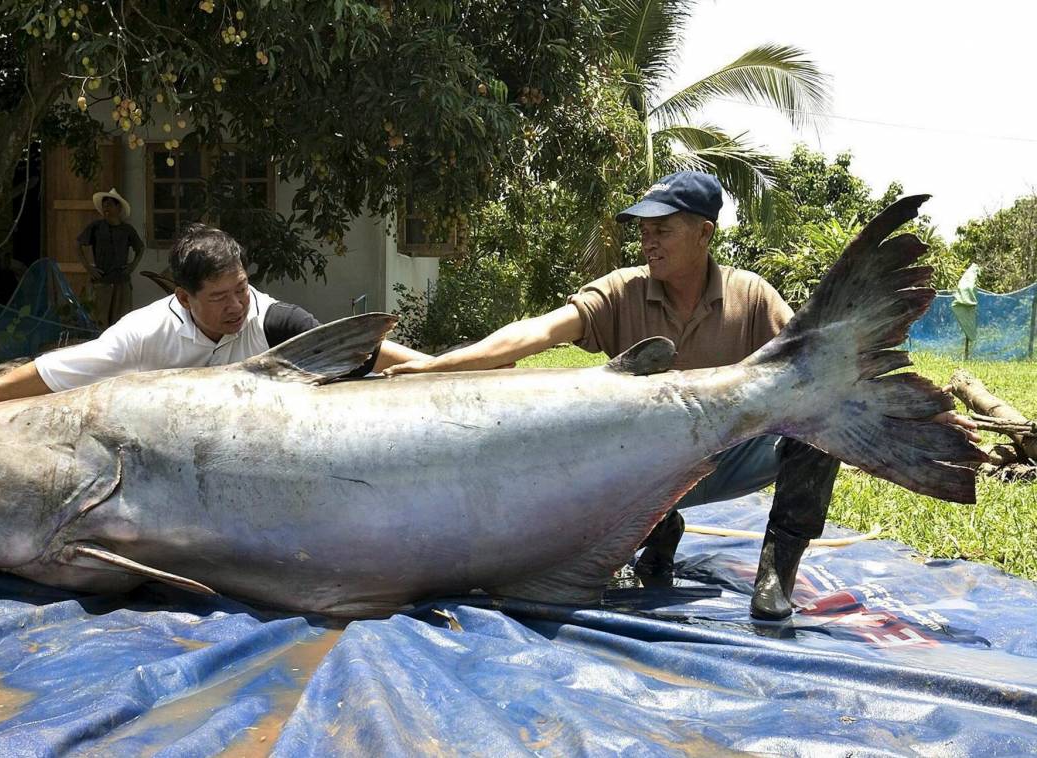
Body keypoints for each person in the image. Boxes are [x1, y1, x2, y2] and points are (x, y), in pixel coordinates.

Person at [385, 170, 976, 620]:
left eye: (663, 229)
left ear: (704, 234)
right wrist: (439, 365)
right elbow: (536, 332)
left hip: (730, 456)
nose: (649, 241)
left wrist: (895, 414)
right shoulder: (621, 291)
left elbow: (816, 373)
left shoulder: (752, 296)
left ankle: (778, 569)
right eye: (644, 230)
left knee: (812, 414)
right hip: (637, 469)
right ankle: (653, 538)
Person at [0, 223, 429, 427]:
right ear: (182, 298)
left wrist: (439, 367)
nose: (236, 306)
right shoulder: (142, 336)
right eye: (219, 297)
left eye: (241, 289)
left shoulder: (273, 321)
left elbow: (359, 351)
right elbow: (55, 372)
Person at [77, 188, 145, 326]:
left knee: (122, 320)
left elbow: (140, 248)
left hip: (121, 280)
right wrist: (89, 268)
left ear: (118, 207)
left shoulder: (127, 230)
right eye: (104, 205)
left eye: (109, 204)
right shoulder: (96, 227)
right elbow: (78, 244)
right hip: (102, 281)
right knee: (100, 320)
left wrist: (132, 266)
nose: (106, 208)